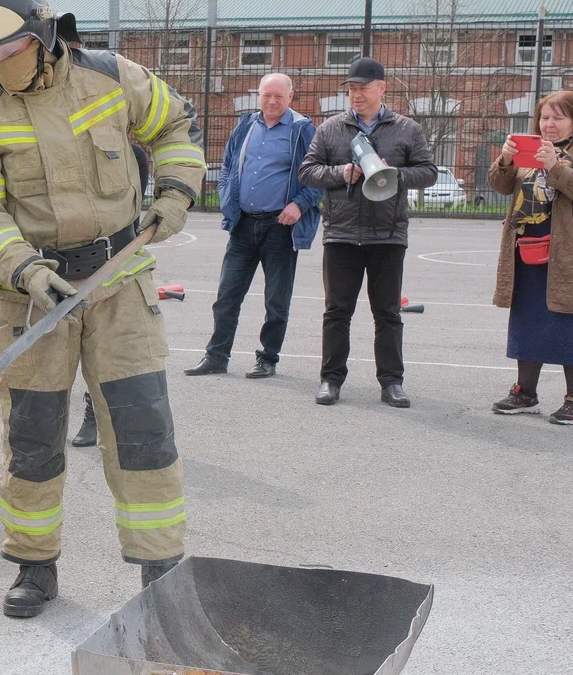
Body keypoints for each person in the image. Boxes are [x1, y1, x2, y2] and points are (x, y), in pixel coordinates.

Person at [0, 0, 204, 617]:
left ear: (40, 33)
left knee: (142, 429)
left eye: (6, 50)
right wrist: (28, 271)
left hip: (120, 280)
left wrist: (175, 190)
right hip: (32, 294)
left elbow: (176, 127)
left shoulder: (111, 76)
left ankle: (161, 567)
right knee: (31, 438)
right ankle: (35, 567)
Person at [299, 57, 437, 408]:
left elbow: (429, 172)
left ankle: (391, 382)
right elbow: (307, 171)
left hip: (388, 235)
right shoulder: (331, 128)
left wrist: (395, 175)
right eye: (352, 89)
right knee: (336, 312)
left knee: (388, 313)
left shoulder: (407, 129)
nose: (356, 95)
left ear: (382, 88)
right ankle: (331, 379)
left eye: (363, 88)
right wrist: (340, 173)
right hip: (342, 234)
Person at [185, 73, 322, 379]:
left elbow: (318, 178)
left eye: (278, 96)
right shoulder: (245, 126)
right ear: (258, 95)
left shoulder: (302, 130)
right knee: (226, 296)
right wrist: (227, 200)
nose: (272, 101)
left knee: (276, 299)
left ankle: (268, 358)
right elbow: (228, 168)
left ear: (290, 97)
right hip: (243, 225)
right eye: (266, 95)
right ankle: (217, 356)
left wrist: (298, 205)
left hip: (280, 228)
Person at [488, 91, 573, 425]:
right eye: (544, 117)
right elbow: (501, 186)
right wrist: (506, 161)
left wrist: (554, 165)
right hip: (527, 249)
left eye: (558, 117)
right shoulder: (529, 147)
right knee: (528, 319)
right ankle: (525, 392)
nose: (549, 124)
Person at [71, 140, 151, 448]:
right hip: (65, 261)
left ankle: (96, 415)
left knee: (109, 349)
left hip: (113, 264)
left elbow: (127, 216)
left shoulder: (133, 155)